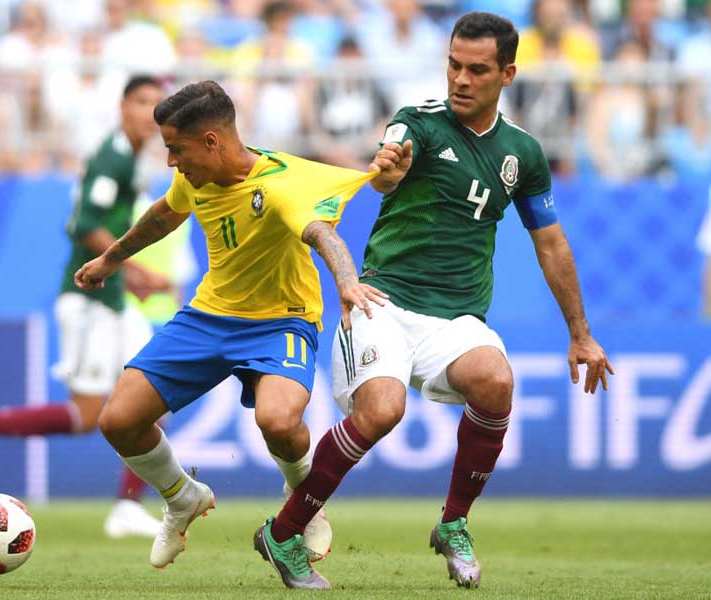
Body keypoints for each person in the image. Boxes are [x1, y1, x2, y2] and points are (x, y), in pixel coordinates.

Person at [255, 12, 614, 590]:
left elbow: (550, 242)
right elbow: (388, 167)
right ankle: (285, 532)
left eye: (476, 70)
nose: (461, 80)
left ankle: (453, 524)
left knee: (496, 380)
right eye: (453, 65)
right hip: (381, 301)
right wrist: (388, 168)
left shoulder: (522, 153)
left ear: (507, 74)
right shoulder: (418, 124)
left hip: (456, 316)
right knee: (382, 411)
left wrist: (580, 332)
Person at [74, 80, 391, 585]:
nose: (172, 162)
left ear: (212, 142)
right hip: (210, 314)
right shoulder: (197, 178)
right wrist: (110, 259)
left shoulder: (281, 184)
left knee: (279, 420)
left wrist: (347, 282)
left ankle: (303, 503)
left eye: (176, 149)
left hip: (281, 318)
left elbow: (321, 233)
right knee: (119, 420)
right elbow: (164, 214)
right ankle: (182, 498)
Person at [0, 75, 173, 539]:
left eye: (156, 104)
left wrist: (130, 279)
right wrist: (135, 271)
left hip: (111, 298)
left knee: (158, 387)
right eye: (142, 102)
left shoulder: (130, 158)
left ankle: (127, 505)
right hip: (87, 299)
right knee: (86, 417)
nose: (150, 112)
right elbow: (83, 224)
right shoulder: (112, 157)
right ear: (122, 106)